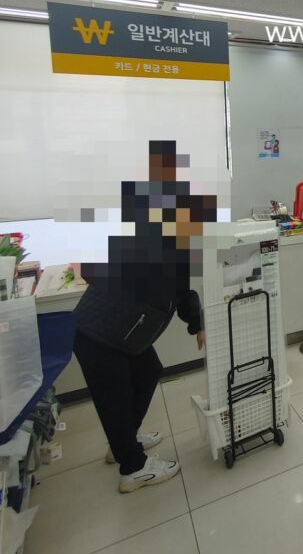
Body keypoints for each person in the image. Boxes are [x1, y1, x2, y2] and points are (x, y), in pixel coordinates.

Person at [72, 144, 215, 493]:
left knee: (148, 371)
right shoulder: (145, 231)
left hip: (123, 335)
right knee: (115, 398)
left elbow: (181, 291)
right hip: (99, 332)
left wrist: (196, 323)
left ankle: (124, 443)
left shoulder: (175, 244)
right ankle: (132, 468)